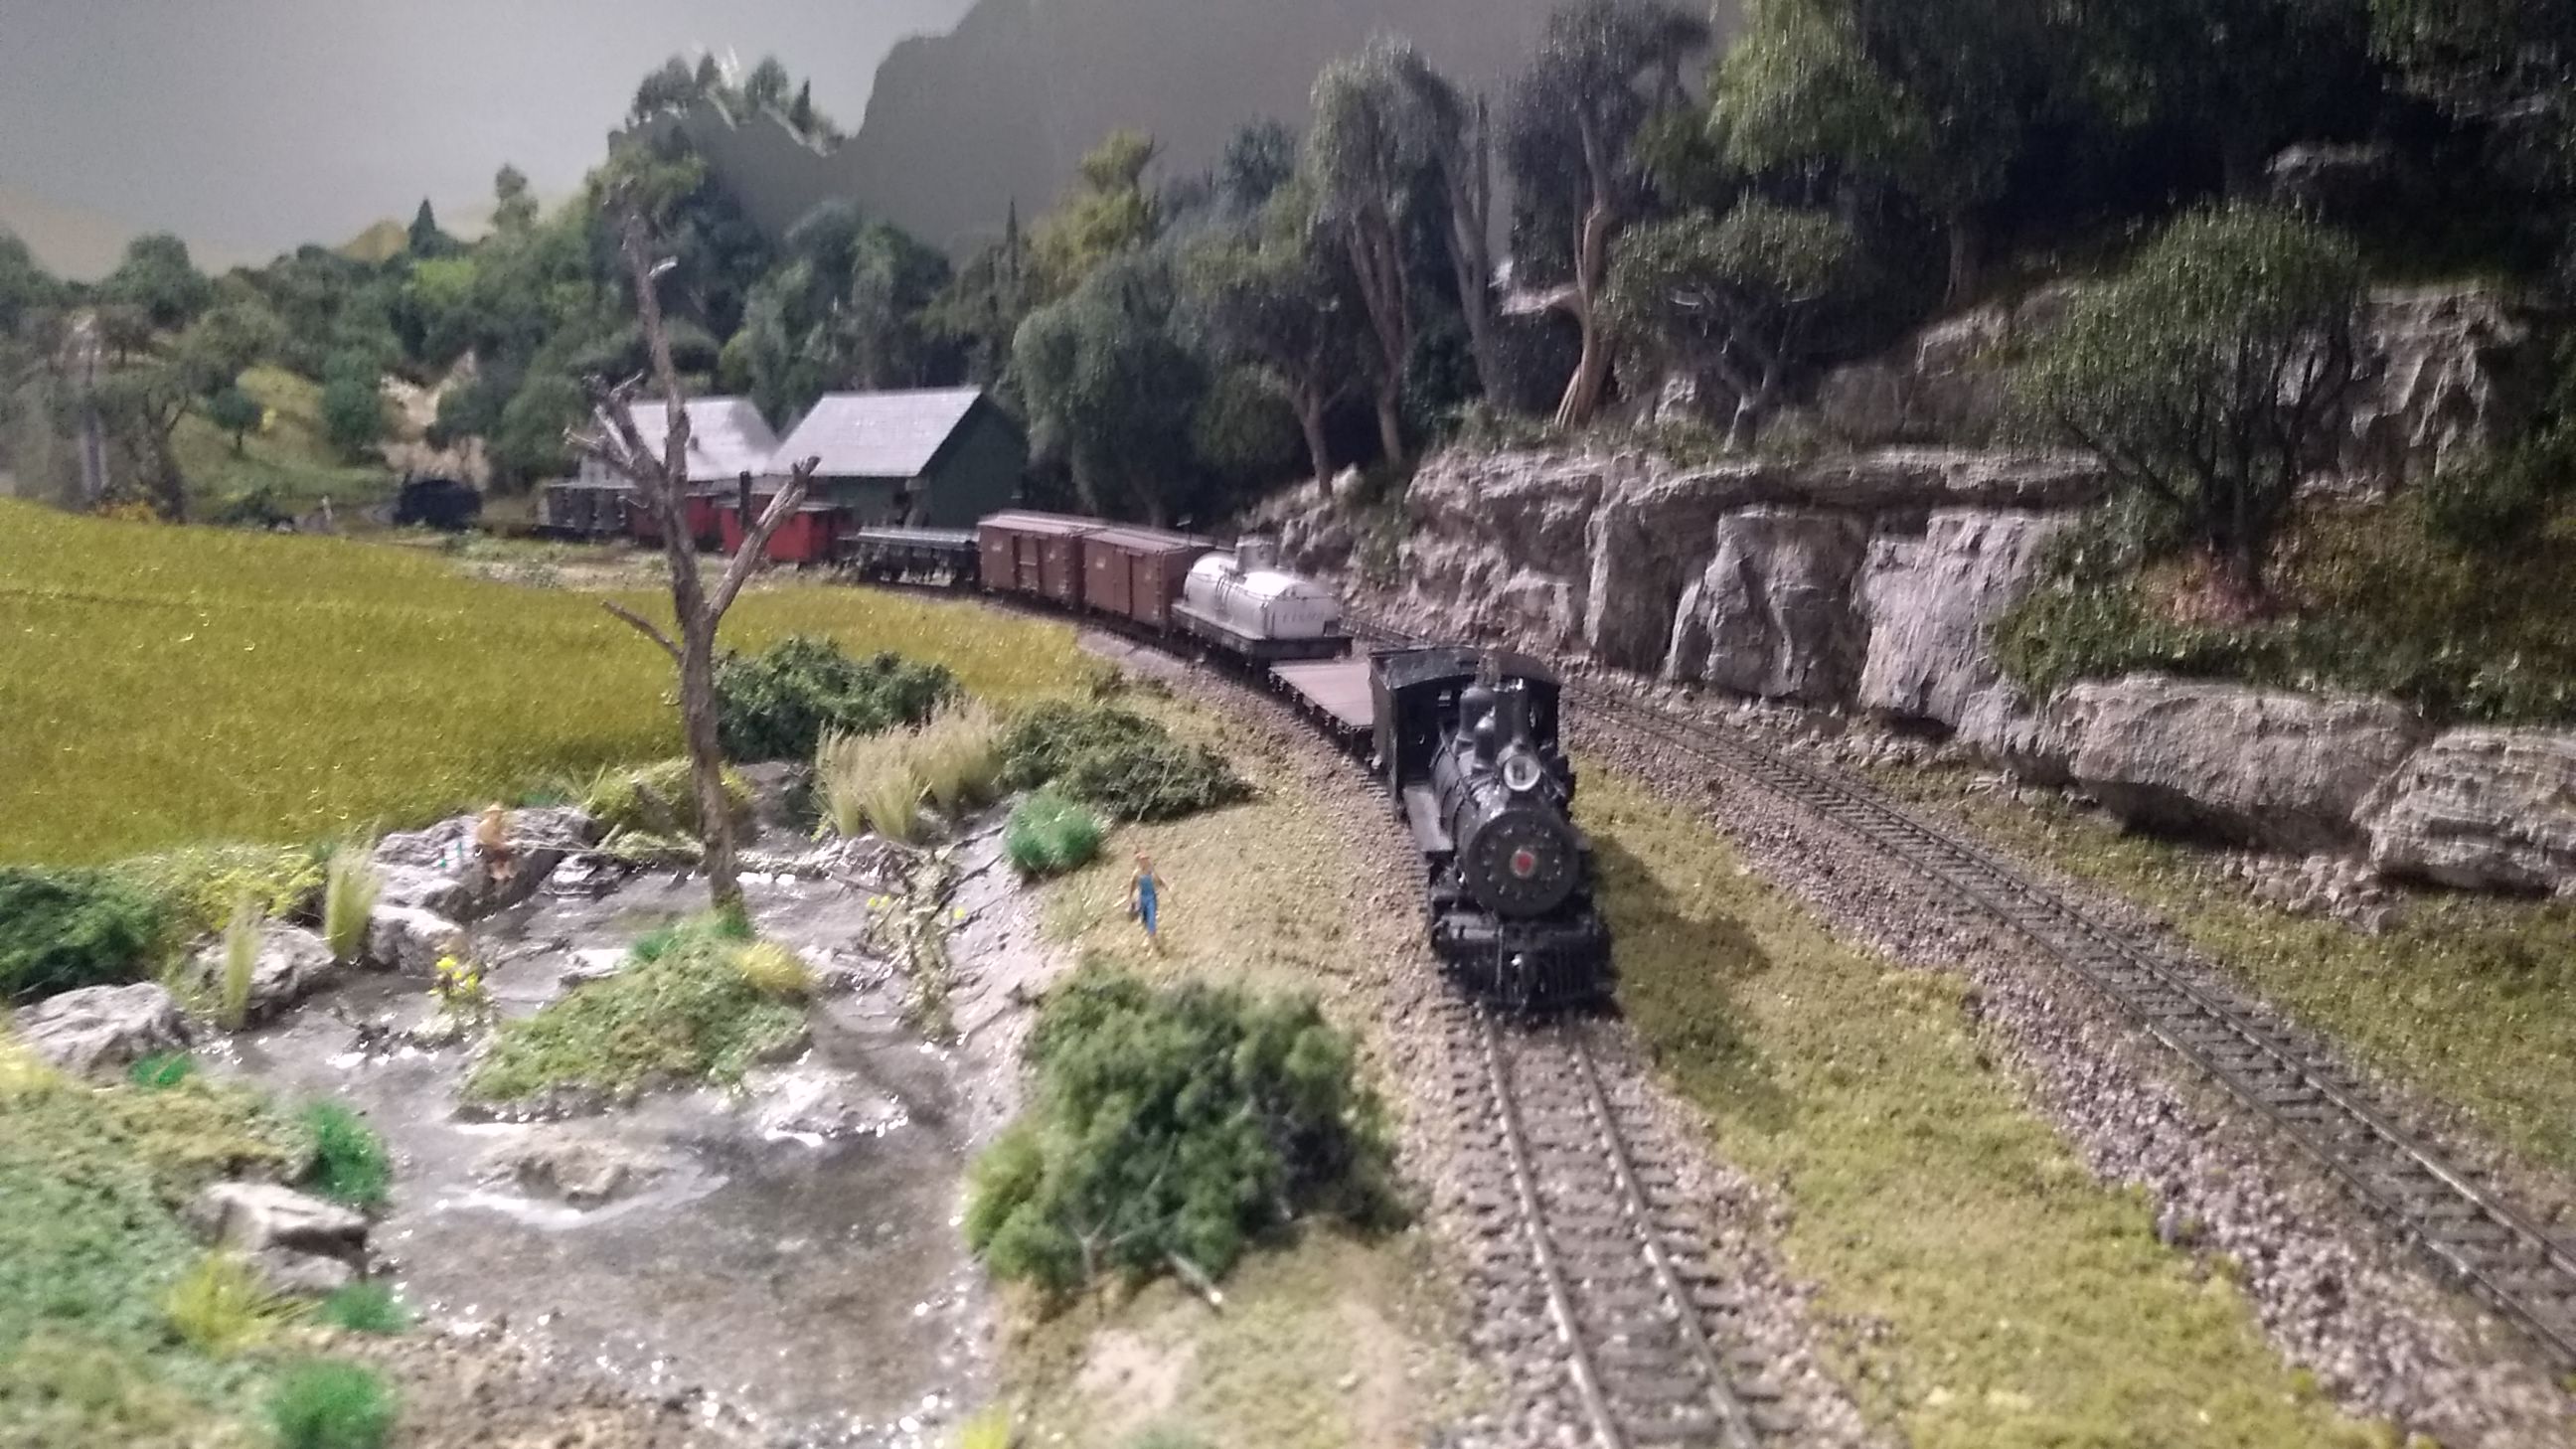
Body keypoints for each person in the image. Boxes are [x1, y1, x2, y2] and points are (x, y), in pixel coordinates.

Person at [1127, 852, 1168, 954]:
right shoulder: (1136, 874)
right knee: (1144, 920)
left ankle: (1153, 946)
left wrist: (1164, 885)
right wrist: (1130, 899)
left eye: (1146, 860)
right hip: (1142, 898)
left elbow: (1158, 881)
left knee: (1151, 919)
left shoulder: (1151, 871)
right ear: (1138, 862)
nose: (1145, 862)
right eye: (1142, 860)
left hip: (1151, 898)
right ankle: (1151, 938)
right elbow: (1132, 886)